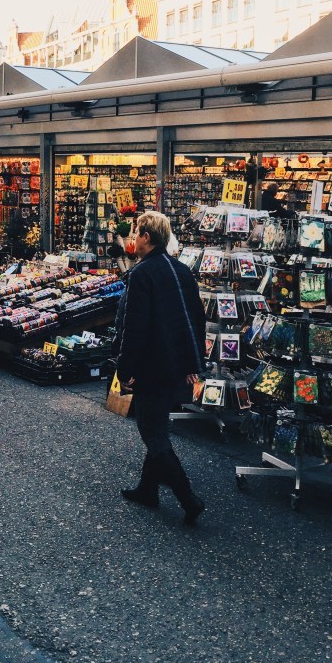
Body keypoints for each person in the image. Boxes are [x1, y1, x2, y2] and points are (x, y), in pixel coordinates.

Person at [117, 210, 207, 526]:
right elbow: (196, 319)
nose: (132, 238)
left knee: (152, 432)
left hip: (152, 366)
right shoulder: (182, 270)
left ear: (147, 238)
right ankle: (148, 489)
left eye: (136, 232)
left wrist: (124, 369)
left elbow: (134, 327)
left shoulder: (142, 274)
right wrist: (196, 363)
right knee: (157, 426)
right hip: (176, 364)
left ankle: (188, 498)